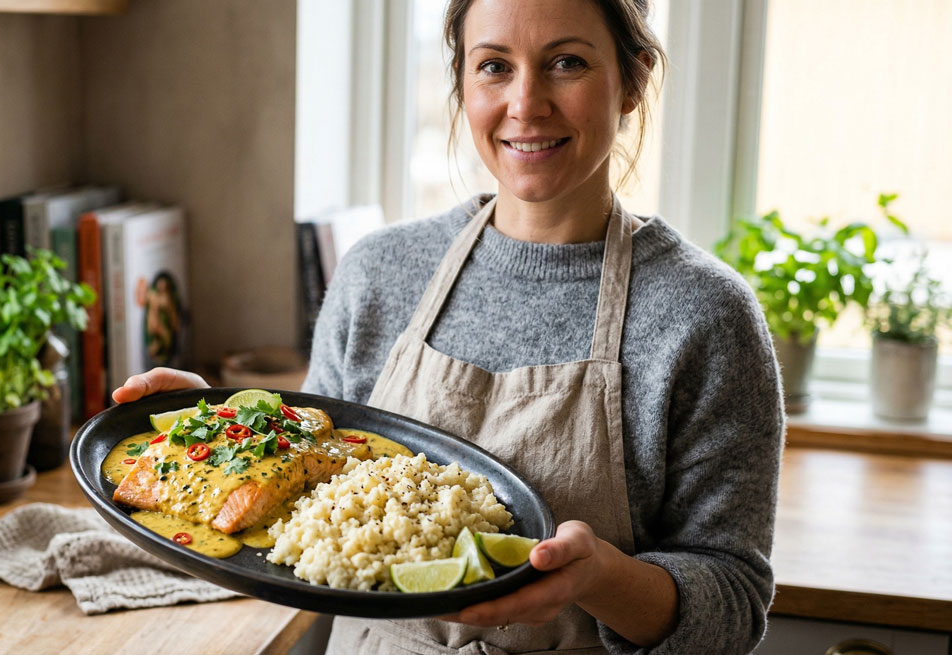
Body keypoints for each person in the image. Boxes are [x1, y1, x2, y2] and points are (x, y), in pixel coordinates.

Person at [112, 0, 784, 652]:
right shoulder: (379, 272)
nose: (526, 104)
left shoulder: (705, 315)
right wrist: (227, 433)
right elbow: (303, 500)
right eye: (495, 66)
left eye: (567, 62)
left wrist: (601, 577)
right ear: (462, 82)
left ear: (632, 80)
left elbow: (732, 606)